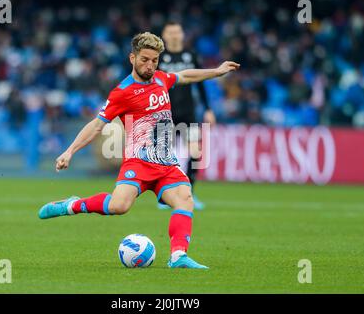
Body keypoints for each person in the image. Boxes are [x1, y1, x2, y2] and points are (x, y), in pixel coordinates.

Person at [38, 32, 240, 269]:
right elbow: (96, 125)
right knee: (118, 206)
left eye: (154, 60)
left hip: (166, 163)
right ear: (132, 58)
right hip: (139, 162)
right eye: (145, 59)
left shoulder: (162, 79)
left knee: (185, 200)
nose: (150, 65)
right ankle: (73, 205)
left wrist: (216, 72)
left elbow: (185, 75)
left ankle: (178, 256)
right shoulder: (122, 92)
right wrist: (69, 151)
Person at [159, 21, 215, 210]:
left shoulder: (191, 56)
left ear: (182, 35)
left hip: (188, 113)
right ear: (164, 36)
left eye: (177, 32)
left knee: (195, 153)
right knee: (162, 156)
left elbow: (200, 83)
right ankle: (165, 196)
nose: (174, 35)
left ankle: (190, 192)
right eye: (171, 32)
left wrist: (208, 109)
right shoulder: (159, 58)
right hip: (164, 114)